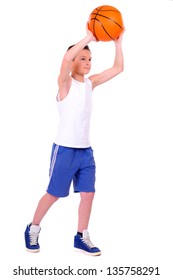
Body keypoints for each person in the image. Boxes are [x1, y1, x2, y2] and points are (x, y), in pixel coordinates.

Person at [24, 26, 124, 256]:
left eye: (90, 58)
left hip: (85, 151)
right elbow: (66, 57)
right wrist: (90, 37)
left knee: (88, 194)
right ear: (72, 63)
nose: (88, 62)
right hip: (65, 150)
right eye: (83, 58)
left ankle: (81, 236)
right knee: (54, 193)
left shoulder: (90, 84)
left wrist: (117, 44)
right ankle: (33, 227)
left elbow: (118, 68)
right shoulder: (65, 84)